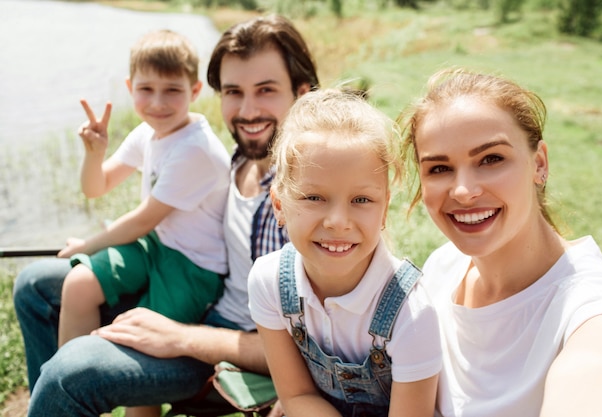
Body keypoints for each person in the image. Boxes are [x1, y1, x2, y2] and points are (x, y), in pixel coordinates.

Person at [12, 14, 319, 416]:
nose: (247, 110)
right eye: (233, 91)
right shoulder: (236, 159)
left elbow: (305, 348)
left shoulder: (306, 199)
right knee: (35, 285)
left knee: (70, 373)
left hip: (229, 345)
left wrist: (181, 337)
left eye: (266, 90)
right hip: (200, 308)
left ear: (302, 93)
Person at [400, 67, 602, 417]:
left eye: (491, 159)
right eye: (439, 168)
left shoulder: (599, 315)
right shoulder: (442, 269)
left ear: (539, 164)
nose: (463, 191)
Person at [249, 88, 441, 417]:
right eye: (314, 197)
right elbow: (296, 395)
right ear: (279, 204)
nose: (338, 222)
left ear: (384, 210)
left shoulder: (412, 315)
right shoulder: (269, 282)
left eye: (361, 200)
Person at [57, 29, 230, 351]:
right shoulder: (149, 131)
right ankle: (71, 386)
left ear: (194, 90)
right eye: (146, 89)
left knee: (137, 342)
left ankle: (95, 383)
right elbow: (97, 187)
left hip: (192, 268)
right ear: (129, 87)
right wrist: (94, 155)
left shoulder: (195, 148)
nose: (157, 103)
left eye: (172, 90)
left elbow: (142, 220)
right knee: (78, 284)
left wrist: (86, 245)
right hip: (156, 246)